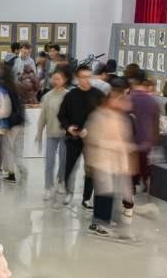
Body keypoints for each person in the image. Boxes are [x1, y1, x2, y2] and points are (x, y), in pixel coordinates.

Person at [85, 78, 136, 238]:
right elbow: (96, 139)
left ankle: (101, 221)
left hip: (112, 161)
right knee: (104, 194)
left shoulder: (117, 116)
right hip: (103, 161)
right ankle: (99, 223)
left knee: (107, 193)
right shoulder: (101, 115)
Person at [58, 65, 105, 209]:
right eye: (83, 77)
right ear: (77, 78)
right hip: (73, 138)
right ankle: (69, 192)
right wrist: (68, 127)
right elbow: (61, 115)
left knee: (90, 169)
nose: (86, 80)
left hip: (92, 140)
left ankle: (86, 198)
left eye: (89, 77)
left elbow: (103, 117)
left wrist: (90, 129)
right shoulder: (71, 95)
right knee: (70, 166)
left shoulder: (98, 95)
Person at [36, 68, 70, 200]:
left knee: (63, 160)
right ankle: (47, 187)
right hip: (51, 133)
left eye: (58, 79)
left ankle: (61, 181)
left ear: (64, 80)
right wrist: (39, 132)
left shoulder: (68, 95)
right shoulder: (47, 96)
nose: (55, 81)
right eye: (53, 78)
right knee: (49, 161)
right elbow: (43, 116)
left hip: (65, 134)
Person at [128, 70, 160, 195]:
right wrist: (155, 141)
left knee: (132, 164)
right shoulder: (152, 101)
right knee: (144, 164)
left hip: (131, 140)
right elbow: (156, 123)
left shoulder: (129, 98)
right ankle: (145, 182)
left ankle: (132, 186)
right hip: (146, 140)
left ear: (133, 81)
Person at [1, 66, 26, 183]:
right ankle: (20, 169)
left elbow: (6, 109)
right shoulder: (14, 86)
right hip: (19, 121)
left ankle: (11, 174)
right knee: (15, 149)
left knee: (8, 148)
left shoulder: (4, 88)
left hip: (11, 123)